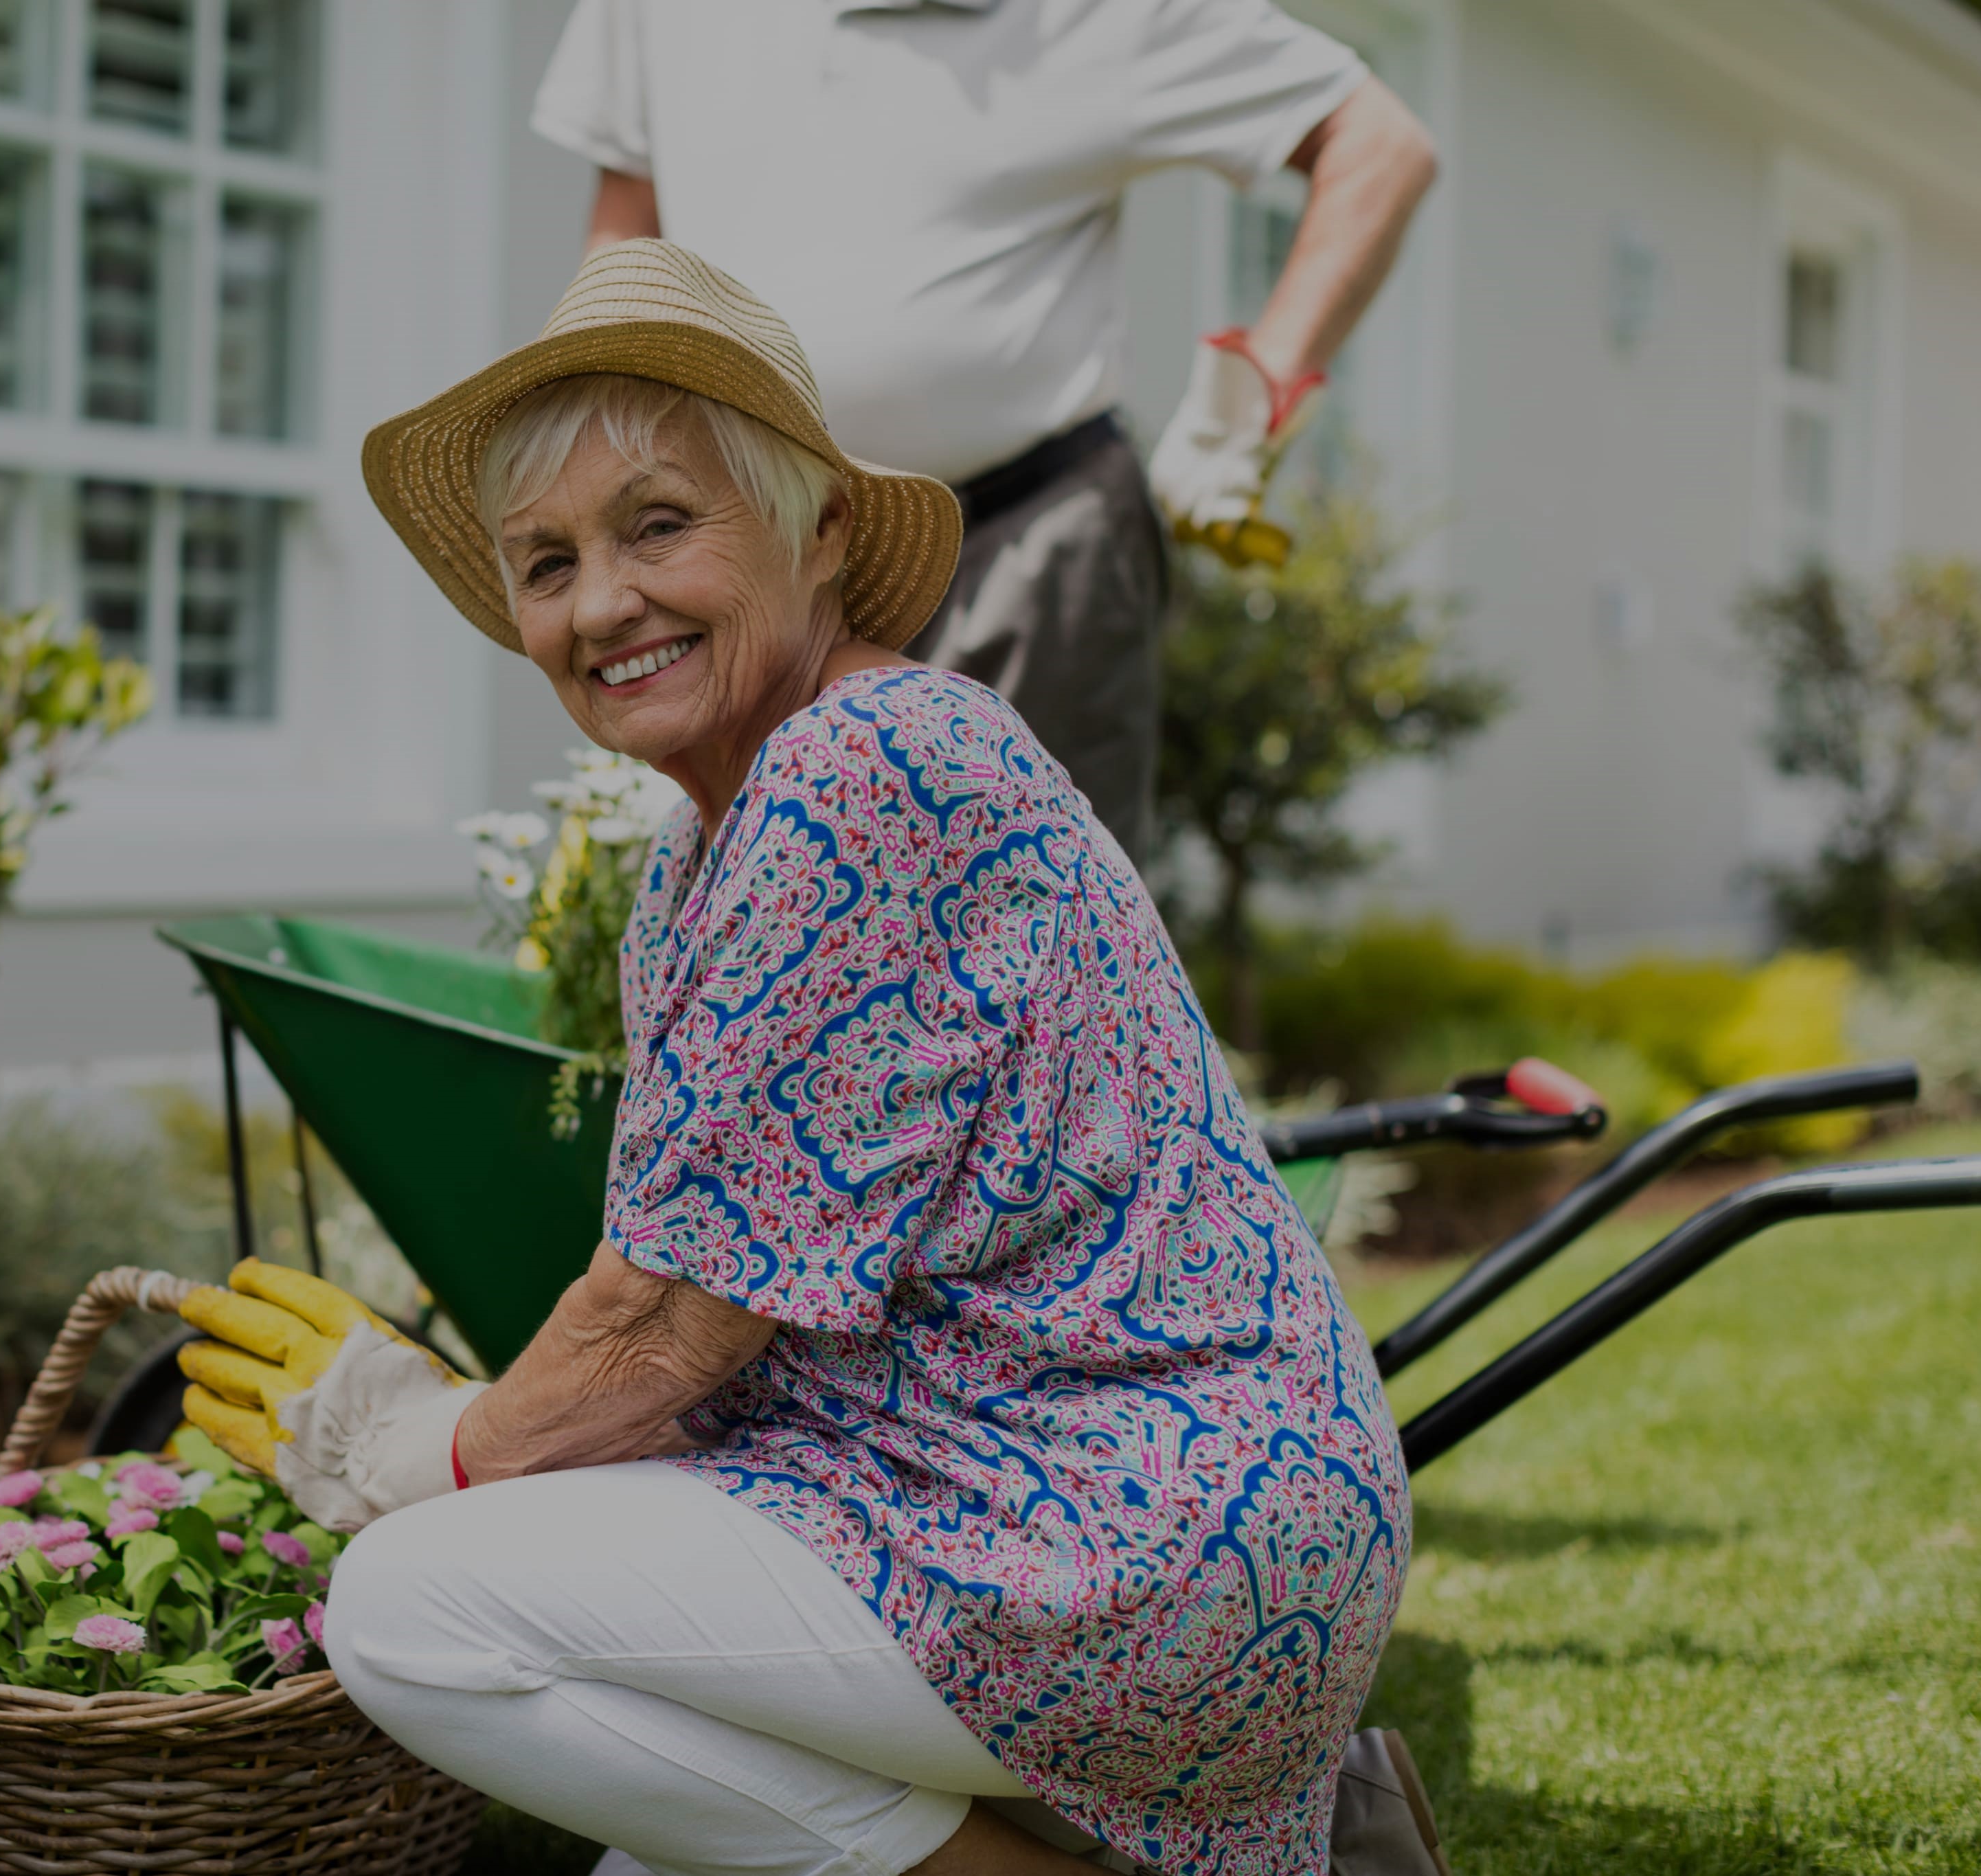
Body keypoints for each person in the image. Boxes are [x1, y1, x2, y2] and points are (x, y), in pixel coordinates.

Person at [172, 242, 1411, 1876]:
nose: (597, 603)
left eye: (656, 524)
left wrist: (432, 1454)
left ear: (820, 529)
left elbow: (675, 1321)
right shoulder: (711, 842)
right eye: (542, 562)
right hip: (1011, 1492)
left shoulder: (864, 761)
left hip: (1127, 1523)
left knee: (413, 1613)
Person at [525, 0, 1440, 860]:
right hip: (751, 561)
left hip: (1029, 552)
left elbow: (1379, 146)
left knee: (1038, 933)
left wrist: (1253, 399)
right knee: (769, 921)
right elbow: (627, 227)